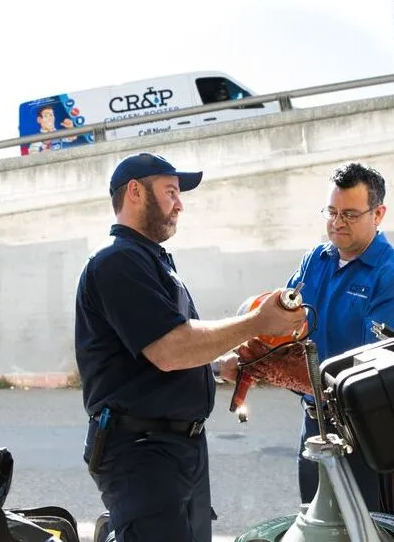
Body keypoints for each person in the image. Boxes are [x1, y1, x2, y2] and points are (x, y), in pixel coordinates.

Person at [75, 152, 307, 542]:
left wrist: (218, 366)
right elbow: (170, 349)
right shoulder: (116, 262)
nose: (180, 203)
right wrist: (258, 322)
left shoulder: (151, 260)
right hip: (143, 454)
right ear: (134, 192)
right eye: (170, 192)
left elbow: (159, 351)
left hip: (175, 450)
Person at [287, 162, 394, 511]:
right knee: (315, 522)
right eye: (331, 211)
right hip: (314, 421)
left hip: (366, 431)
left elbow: (376, 364)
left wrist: (308, 377)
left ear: (379, 213)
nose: (337, 223)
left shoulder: (391, 274)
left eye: (350, 214)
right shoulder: (316, 258)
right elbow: (285, 313)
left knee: (367, 526)